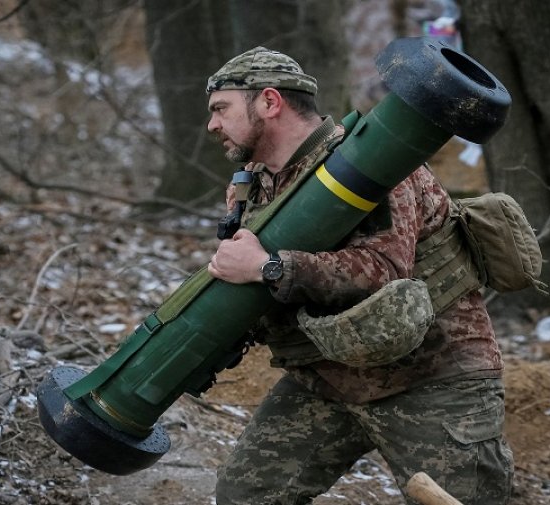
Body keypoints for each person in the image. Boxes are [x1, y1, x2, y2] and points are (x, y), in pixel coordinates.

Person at [204, 46, 513, 504]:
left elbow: (383, 271)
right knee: (246, 496)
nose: (212, 125)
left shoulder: (374, 161)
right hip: (328, 379)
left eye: (220, 108)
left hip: (431, 377)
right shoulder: (256, 182)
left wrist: (268, 267)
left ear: (269, 102)